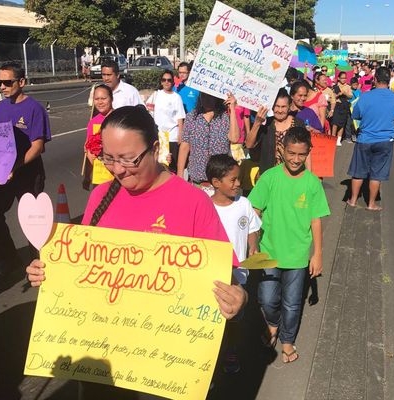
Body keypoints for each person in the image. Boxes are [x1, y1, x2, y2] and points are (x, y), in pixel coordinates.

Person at [26, 106, 247, 398]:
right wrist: (48, 273)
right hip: (101, 362)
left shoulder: (193, 201)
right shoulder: (100, 195)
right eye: (108, 157)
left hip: (164, 367)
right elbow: (82, 270)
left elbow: (226, 275)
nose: (117, 169)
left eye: (129, 159)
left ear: (155, 149)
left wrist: (238, 298)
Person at [248, 127, 330, 364]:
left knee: (293, 304)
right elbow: (255, 209)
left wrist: (317, 254)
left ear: (308, 153)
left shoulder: (313, 183)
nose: (295, 159)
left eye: (301, 155)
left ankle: (287, 339)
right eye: (291, 153)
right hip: (268, 251)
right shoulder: (269, 178)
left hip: (297, 256)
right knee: (266, 299)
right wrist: (252, 238)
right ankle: (273, 323)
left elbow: (316, 220)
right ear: (282, 150)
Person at [0, 62, 51, 272]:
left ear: (21, 82)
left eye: (7, 82)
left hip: (28, 173)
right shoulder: (1, 107)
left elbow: (38, 146)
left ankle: (38, 264)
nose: (2, 87)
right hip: (3, 171)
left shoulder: (34, 109)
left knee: (33, 220)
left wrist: (16, 167)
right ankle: (8, 259)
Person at [207, 154, 261, 374]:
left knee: (235, 315)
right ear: (216, 183)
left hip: (239, 275)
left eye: (238, 179)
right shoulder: (205, 207)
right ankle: (210, 354)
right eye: (233, 180)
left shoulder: (244, 204)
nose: (238, 184)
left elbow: (252, 228)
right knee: (212, 316)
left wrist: (253, 246)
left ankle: (231, 350)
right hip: (212, 274)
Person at [346, 67, 394, 211]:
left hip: (365, 138)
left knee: (358, 171)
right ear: (389, 80)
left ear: (375, 79)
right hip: (385, 139)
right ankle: (371, 203)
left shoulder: (365, 96)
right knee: (376, 174)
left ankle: (353, 200)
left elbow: (355, 115)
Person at [177, 93, 240, 188]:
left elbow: (234, 138)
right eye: (204, 95)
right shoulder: (192, 117)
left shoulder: (225, 117)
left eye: (210, 96)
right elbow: (185, 146)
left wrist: (233, 110)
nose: (207, 99)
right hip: (197, 180)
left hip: (220, 180)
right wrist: (180, 173)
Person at [246, 89, 306, 174]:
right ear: (272, 106)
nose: (280, 110)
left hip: (293, 175)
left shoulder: (298, 124)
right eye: (277, 106)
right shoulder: (266, 124)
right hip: (269, 175)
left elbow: (306, 151)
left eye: (283, 107)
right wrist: (257, 123)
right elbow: (249, 144)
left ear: (289, 106)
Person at [147, 70, 185, 174]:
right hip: (158, 136)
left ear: (173, 82)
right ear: (161, 82)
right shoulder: (156, 95)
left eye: (169, 80)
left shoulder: (176, 97)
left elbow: (180, 117)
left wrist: (180, 135)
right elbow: (148, 112)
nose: (166, 82)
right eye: (164, 80)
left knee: (171, 167)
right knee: (158, 166)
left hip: (171, 136)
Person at [84, 84, 114, 187]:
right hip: (100, 177)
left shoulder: (119, 119)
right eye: (96, 99)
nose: (100, 102)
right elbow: (89, 152)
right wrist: (87, 176)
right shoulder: (93, 122)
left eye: (103, 98)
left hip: (118, 177)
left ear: (111, 98)